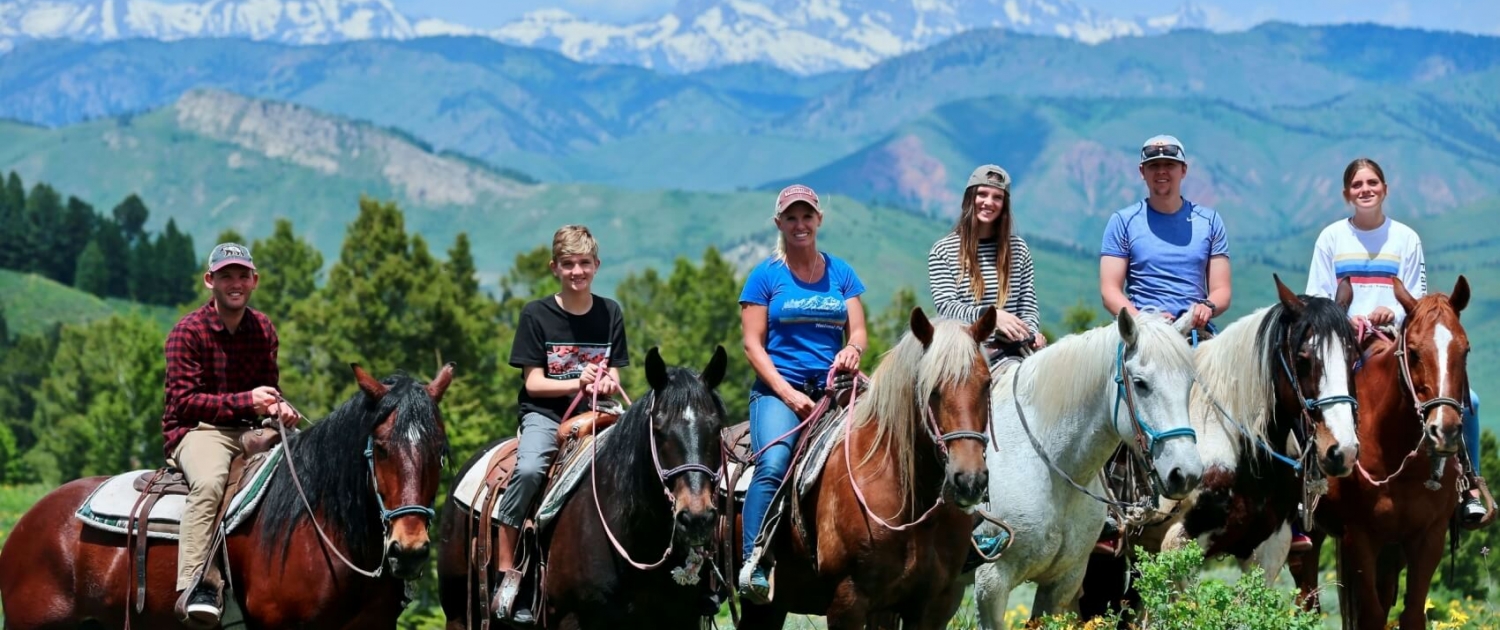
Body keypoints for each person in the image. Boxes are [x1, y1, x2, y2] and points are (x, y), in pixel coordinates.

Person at [1305, 157, 1486, 526]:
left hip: (1395, 342)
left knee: (1472, 401)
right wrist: (1346, 318)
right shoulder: (1331, 238)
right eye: (1357, 185)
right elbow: (1316, 298)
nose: (1365, 190)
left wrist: (1390, 312)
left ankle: (1467, 483)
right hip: (1344, 341)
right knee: (1307, 399)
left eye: (1372, 183)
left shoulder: (1406, 238)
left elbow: (1415, 301)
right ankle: (1304, 485)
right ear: (1346, 194)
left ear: (1385, 189)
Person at [1096, 134, 1232, 554]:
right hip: (1146, 334)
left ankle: (1273, 503)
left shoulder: (1209, 222)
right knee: (1114, 409)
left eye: (1169, 165)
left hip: (1195, 331)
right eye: (1154, 166)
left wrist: (1207, 306)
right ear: (1143, 173)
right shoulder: (1123, 222)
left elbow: (1222, 290)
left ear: (1183, 171)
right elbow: (1111, 290)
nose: (1162, 172)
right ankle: (1106, 516)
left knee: (1246, 403)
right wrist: (1145, 323)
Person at [494, 225, 630, 623]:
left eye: (584, 263)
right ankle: (507, 572)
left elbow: (616, 377)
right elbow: (533, 382)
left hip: (599, 412)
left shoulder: (610, 313)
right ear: (555, 267)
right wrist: (578, 381)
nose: (577, 272)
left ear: (596, 265)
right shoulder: (537, 314)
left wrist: (606, 382)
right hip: (545, 414)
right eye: (568, 264)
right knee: (531, 468)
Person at [738, 184, 867, 604]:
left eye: (806, 216)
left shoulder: (842, 273)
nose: (800, 224)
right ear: (779, 223)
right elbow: (753, 345)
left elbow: (859, 331)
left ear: (819, 221)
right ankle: (754, 560)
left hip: (835, 389)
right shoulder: (765, 277)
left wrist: (851, 349)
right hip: (779, 392)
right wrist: (788, 395)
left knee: (893, 438)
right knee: (774, 463)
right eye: (791, 217)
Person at [164, 242, 299, 626]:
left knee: (304, 466)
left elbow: (266, 390)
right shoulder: (186, 332)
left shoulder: (263, 329)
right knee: (209, 483)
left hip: (252, 429)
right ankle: (195, 585)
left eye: (242, 275)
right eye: (226, 276)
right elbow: (185, 403)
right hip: (198, 431)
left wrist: (279, 407)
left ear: (254, 281)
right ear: (210, 281)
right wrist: (248, 402)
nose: (235, 283)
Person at [928, 163, 1046, 357]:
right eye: (982, 194)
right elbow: (947, 307)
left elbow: (1028, 305)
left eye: (997, 197)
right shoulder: (944, 250)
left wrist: (1031, 333)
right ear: (969, 198)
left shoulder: (1018, 249)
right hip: (965, 354)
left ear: (1004, 205)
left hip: (1013, 351)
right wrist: (991, 317)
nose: (989, 202)